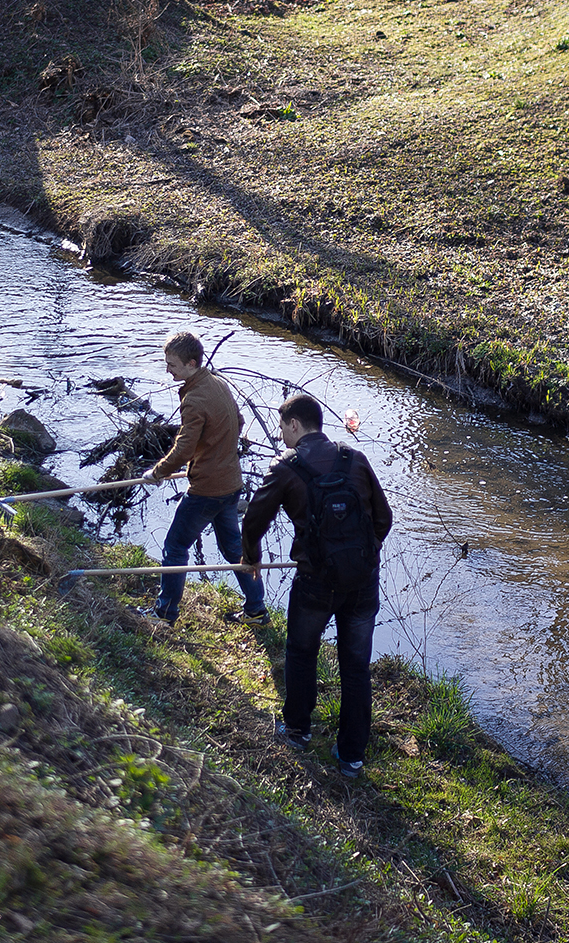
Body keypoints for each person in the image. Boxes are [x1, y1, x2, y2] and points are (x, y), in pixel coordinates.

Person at [242, 393, 392, 778]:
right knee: (356, 667)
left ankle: (297, 730)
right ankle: (352, 756)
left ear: (295, 424)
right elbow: (384, 518)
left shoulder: (285, 467)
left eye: (282, 428)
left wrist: (251, 556)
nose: (281, 436)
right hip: (363, 581)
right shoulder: (354, 458)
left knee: (302, 651)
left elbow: (255, 517)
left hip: (315, 582)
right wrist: (364, 552)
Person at [140, 331, 267, 626]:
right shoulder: (218, 383)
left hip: (206, 491)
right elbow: (238, 421)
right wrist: (215, 453)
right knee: (235, 549)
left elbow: (184, 448)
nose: (168, 370)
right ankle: (256, 610)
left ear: (192, 363)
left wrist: (158, 472)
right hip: (232, 483)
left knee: (175, 547)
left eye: (172, 365)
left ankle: (164, 613)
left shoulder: (195, 399)